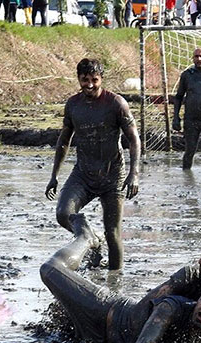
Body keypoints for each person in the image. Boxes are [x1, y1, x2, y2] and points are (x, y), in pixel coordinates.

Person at [40, 214, 201, 343]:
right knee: (50, 269)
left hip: (112, 342)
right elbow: (142, 312)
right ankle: (86, 237)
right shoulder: (189, 277)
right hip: (105, 312)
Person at [45, 58, 140, 271]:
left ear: (101, 79)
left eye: (94, 80)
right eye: (84, 80)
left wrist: (134, 173)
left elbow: (134, 138)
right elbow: (64, 141)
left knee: (113, 232)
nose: (89, 84)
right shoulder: (73, 105)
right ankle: (91, 238)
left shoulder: (116, 103)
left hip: (112, 175)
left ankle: (115, 280)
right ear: (78, 79)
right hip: (83, 173)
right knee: (63, 213)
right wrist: (54, 176)